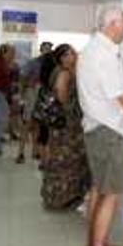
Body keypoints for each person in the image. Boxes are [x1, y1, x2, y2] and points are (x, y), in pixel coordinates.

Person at [77, 5, 123, 246]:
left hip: (95, 129)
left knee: (98, 190)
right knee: (110, 195)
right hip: (111, 132)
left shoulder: (89, 51)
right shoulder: (107, 56)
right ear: (113, 25)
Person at [41, 44, 91, 210]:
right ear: (62, 58)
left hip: (68, 123)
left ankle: (67, 195)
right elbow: (62, 98)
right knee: (66, 159)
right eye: (69, 54)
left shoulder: (68, 71)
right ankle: (61, 197)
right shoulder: (64, 73)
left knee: (69, 158)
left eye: (73, 52)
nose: (74, 55)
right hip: (67, 124)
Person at [16, 41, 53, 164]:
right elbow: (22, 78)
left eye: (49, 48)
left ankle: (35, 151)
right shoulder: (33, 63)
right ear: (41, 49)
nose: (47, 50)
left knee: (39, 124)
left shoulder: (53, 64)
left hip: (45, 97)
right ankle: (20, 153)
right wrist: (21, 95)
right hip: (32, 94)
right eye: (45, 48)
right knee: (27, 124)